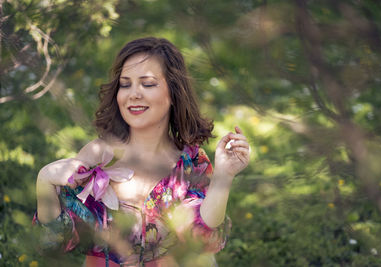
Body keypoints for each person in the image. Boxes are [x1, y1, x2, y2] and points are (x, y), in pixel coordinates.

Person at [34, 37, 250, 266]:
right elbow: (55, 243)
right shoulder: (99, 156)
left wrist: (223, 178)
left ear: (174, 93)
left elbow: (203, 240)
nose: (133, 94)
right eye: (125, 84)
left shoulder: (191, 162)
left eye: (147, 84)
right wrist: (44, 182)